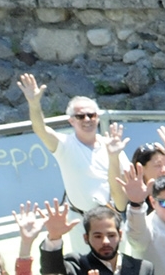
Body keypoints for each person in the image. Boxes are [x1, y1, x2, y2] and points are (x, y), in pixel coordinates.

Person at [21, 72, 119, 213]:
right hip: (79, 219)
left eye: (91, 115)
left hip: (110, 217)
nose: (87, 119)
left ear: (97, 118)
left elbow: (126, 178)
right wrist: (34, 104)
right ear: (71, 121)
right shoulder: (65, 145)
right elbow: (40, 129)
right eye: (80, 116)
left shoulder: (111, 146)